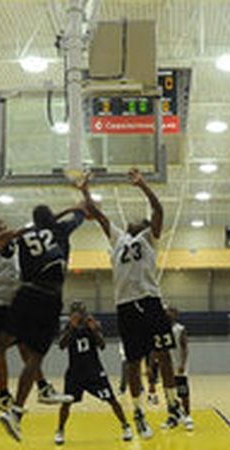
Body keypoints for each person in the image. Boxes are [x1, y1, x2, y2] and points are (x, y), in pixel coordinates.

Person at [82, 168, 191, 435]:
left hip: (150, 301)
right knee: (133, 362)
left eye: (138, 222)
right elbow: (97, 215)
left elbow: (159, 210)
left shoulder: (149, 239)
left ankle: (173, 405)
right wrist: (84, 189)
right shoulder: (118, 238)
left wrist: (142, 185)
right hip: (126, 305)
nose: (133, 222)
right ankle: (139, 413)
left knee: (164, 354)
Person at [0, 189, 91, 441]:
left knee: (7, 341)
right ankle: (19, 408)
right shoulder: (60, 230)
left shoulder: (24, 235)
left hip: (24, 295)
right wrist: (80, 196)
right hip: (48, 297)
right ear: (53, 219)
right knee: (35, 357)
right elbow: (83, 212)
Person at [0, 215, 66, 409]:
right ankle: (29, 387)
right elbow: (22, 231)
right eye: (1, 222)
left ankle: (8, 392)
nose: (5, 223)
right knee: (17, 346)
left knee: (10, 346)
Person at [54, 301, 134, 445]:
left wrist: (95, 330)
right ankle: (60, 430)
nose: (78, 314)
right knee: (66, 403)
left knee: (112, 400)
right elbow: (61, 345)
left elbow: (102, 345)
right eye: (75, 311)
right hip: (75, 373)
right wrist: (71, 328)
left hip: (94, 371)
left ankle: (125, 426)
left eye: (80, 311)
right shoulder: (68, 326)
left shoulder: (92, 323)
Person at [168, 306, 191, 415]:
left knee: (183, 393)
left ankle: (187, 415)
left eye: (171, 312)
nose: (168, 314)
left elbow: (185, 348)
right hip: (167, 367)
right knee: (169, 393)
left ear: (176, 315)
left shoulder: (180, 329)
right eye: (167, 311)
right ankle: (172, 416)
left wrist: (183, 364)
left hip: (178, 366)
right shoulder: (161, 330)